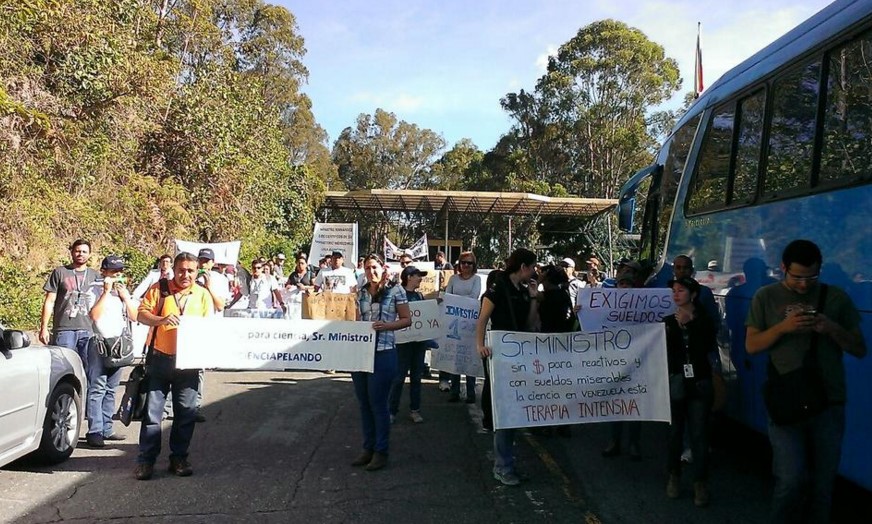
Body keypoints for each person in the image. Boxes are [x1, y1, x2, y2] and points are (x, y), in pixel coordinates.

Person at [746, 240, 866, 523]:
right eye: (797, 277)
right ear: (783, 268)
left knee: (824, 484)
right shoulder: (766, 296)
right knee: (790, 480)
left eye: (811, 277)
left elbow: (859, 349)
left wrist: (832, 328)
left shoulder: (836, 298)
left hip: (828, 402)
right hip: (786, 402)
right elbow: (752, 345)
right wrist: (783, 328)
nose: (803, 284)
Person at [134, 252, 214, 480]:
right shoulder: (159, 289)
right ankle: (145, 461)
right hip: (160, 359)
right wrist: (160, 320)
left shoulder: (202, 295)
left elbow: (211, 329)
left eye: (190, 270)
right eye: (181, 270)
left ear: (197, 271)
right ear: (174, 270)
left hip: (189, 363)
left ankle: (178, 458)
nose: (185, 274)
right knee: (152, 414)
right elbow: (141, 315)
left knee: (185, 414)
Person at [476, 248, 540, 486]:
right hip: (500, 356)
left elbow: (531, 324)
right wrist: (480, 345)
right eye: (532, 267)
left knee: (514, 412)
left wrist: (533, 297)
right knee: (505, 412)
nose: (534, 272)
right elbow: (482, 319)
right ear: (523, 267)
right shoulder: (498, 287)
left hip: (517, 356)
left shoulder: (522, 291)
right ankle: (502, 466)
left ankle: (507, 463)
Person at [351, 254, 411, 471]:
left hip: (385, 352)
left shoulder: (396, 291)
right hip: (361, 353)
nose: (371, 271)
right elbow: (356, 321)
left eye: (374, 267)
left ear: (382, 267)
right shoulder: (361, 292)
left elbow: (406, 319)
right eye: (367, 268)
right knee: (364, 403)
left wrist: (387, 326)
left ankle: (381, 451)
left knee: (378, 403)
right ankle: (367, 448)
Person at [664, 277, 717, 507]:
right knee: (675, 433)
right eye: (674, 291)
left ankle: (700, 483)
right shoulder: (667, 321)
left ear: (693, 294)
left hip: (700, 384)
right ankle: (674, 476)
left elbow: (705, 347)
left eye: (681, 290)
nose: (676, 294)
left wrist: (690, 324)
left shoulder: (705, 320)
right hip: (677, 382)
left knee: (698, 434)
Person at [83, 255, 138, 448]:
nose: (117, 275)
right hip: (99, 342)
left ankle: (107, 428)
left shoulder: (122, 292)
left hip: (119, 343)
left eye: (120, 272)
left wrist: (125, 296)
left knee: (111, 388)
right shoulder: (93, 290)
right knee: (97, 387)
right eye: (113, 272)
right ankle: (95, 430)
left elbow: (134, 315)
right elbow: (93, 315)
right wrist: (105, 293)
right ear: (104, 272)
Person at [38, 239, 99, 371]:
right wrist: (44, 327)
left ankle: (85, 392)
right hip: (64, 329)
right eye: (77, 251)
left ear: (89, 254)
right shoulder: (60, 272)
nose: (80, 254)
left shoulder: (95, 276)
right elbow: (49, 301)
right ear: (72, 252)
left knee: (89, 369)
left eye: (84, 252)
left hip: (88, 329)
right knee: (63, 368)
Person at [601, 271, 643, 458]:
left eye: (628, 284)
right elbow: (593, 324)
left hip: (639, 361)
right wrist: (581, 311)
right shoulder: (606, 306)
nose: (625, 288)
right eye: (621, 284)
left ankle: (633, 444)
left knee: (635, 404)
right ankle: (614, 441)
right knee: (616, 402)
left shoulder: (643, 307)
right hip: (614, 362)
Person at [388, 266, 435, 424]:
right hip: (403, 344)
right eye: (418, 276)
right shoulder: (397, 294)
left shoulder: (420, 295)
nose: (420, 279)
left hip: (418, 344)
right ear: (409, 277)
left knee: (416, 377)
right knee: (399, 377)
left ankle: (415, 410)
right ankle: (391, 411)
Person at [444, 251, 482, 403]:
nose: (466, 265)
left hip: (469, 324)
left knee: (469, 357)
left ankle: (471, 392)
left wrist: (457, 301)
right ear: (459, 264)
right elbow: (448, 295)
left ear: (474, 265)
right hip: (453, 323)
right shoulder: (453, 278)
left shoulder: (477, 279)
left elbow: (474, 296)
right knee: (455, 358)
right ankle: (454, 392)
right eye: (463, 262)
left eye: (469, 263)